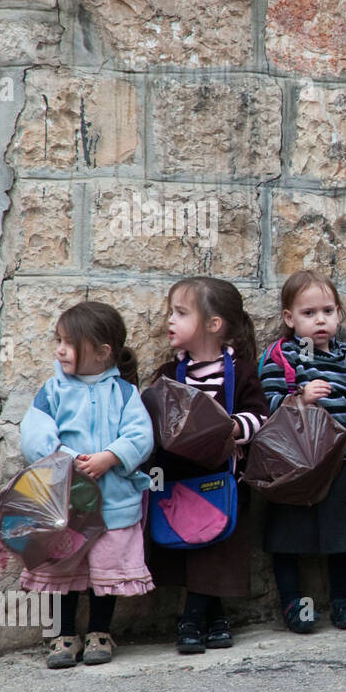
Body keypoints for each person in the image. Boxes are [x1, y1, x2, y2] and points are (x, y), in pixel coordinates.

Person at [20, 302, 155, 668]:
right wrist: (65, 458)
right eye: (58, 341)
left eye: (68, 342)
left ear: (102, 351)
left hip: (113, 503)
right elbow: (34, 435)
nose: (59, 350)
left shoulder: (125, 394)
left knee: (104, 571)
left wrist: (110, 457)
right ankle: (63, 634)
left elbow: (141, 436)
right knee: (63, 568)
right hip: (66, 504)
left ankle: (100, 631)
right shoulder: (54, 390)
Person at [148, 277, 268, 654]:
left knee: (216, 551)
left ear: (214, 325)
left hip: (224, 482)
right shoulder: (168, 375)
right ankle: (215, 618)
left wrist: (232, 427)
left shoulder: (242, 372)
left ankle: (191, 619)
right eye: (171, 312)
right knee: (192, 552)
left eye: (181, 313)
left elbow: (260, 417)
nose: (170, 320)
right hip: (182, 483)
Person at [258, 270, 346, 633]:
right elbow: (267, 407)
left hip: (343, 459)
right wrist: (299, 397)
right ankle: (294, 602)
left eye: (328, 311)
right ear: (289, 318)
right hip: (296, 465)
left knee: (342, 534)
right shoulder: (282, 359)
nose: (320, 320)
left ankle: (342, 601)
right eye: (309, 313)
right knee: (290, 534)